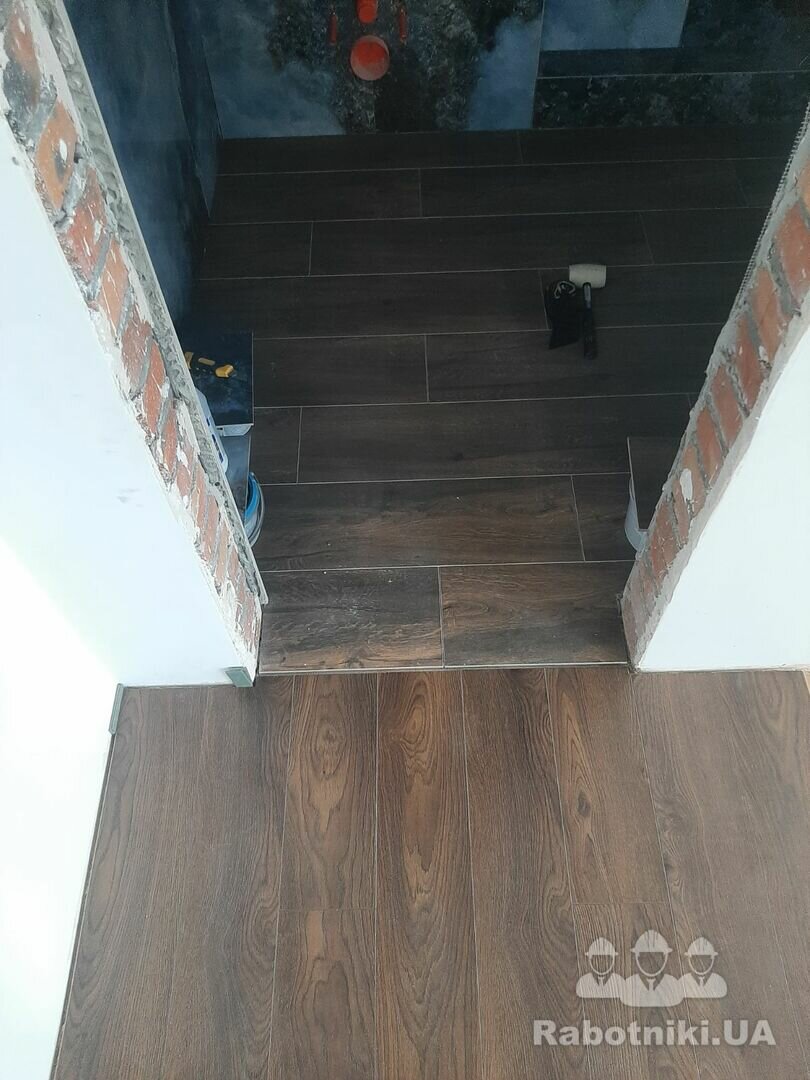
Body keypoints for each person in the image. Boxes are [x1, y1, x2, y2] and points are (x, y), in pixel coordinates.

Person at [622, 930, 683, 1007]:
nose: (651, 961)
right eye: (644, 955)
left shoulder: (673, 985)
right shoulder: (629, 985)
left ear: (666, 957)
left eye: (658, 955)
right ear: (636, 957)